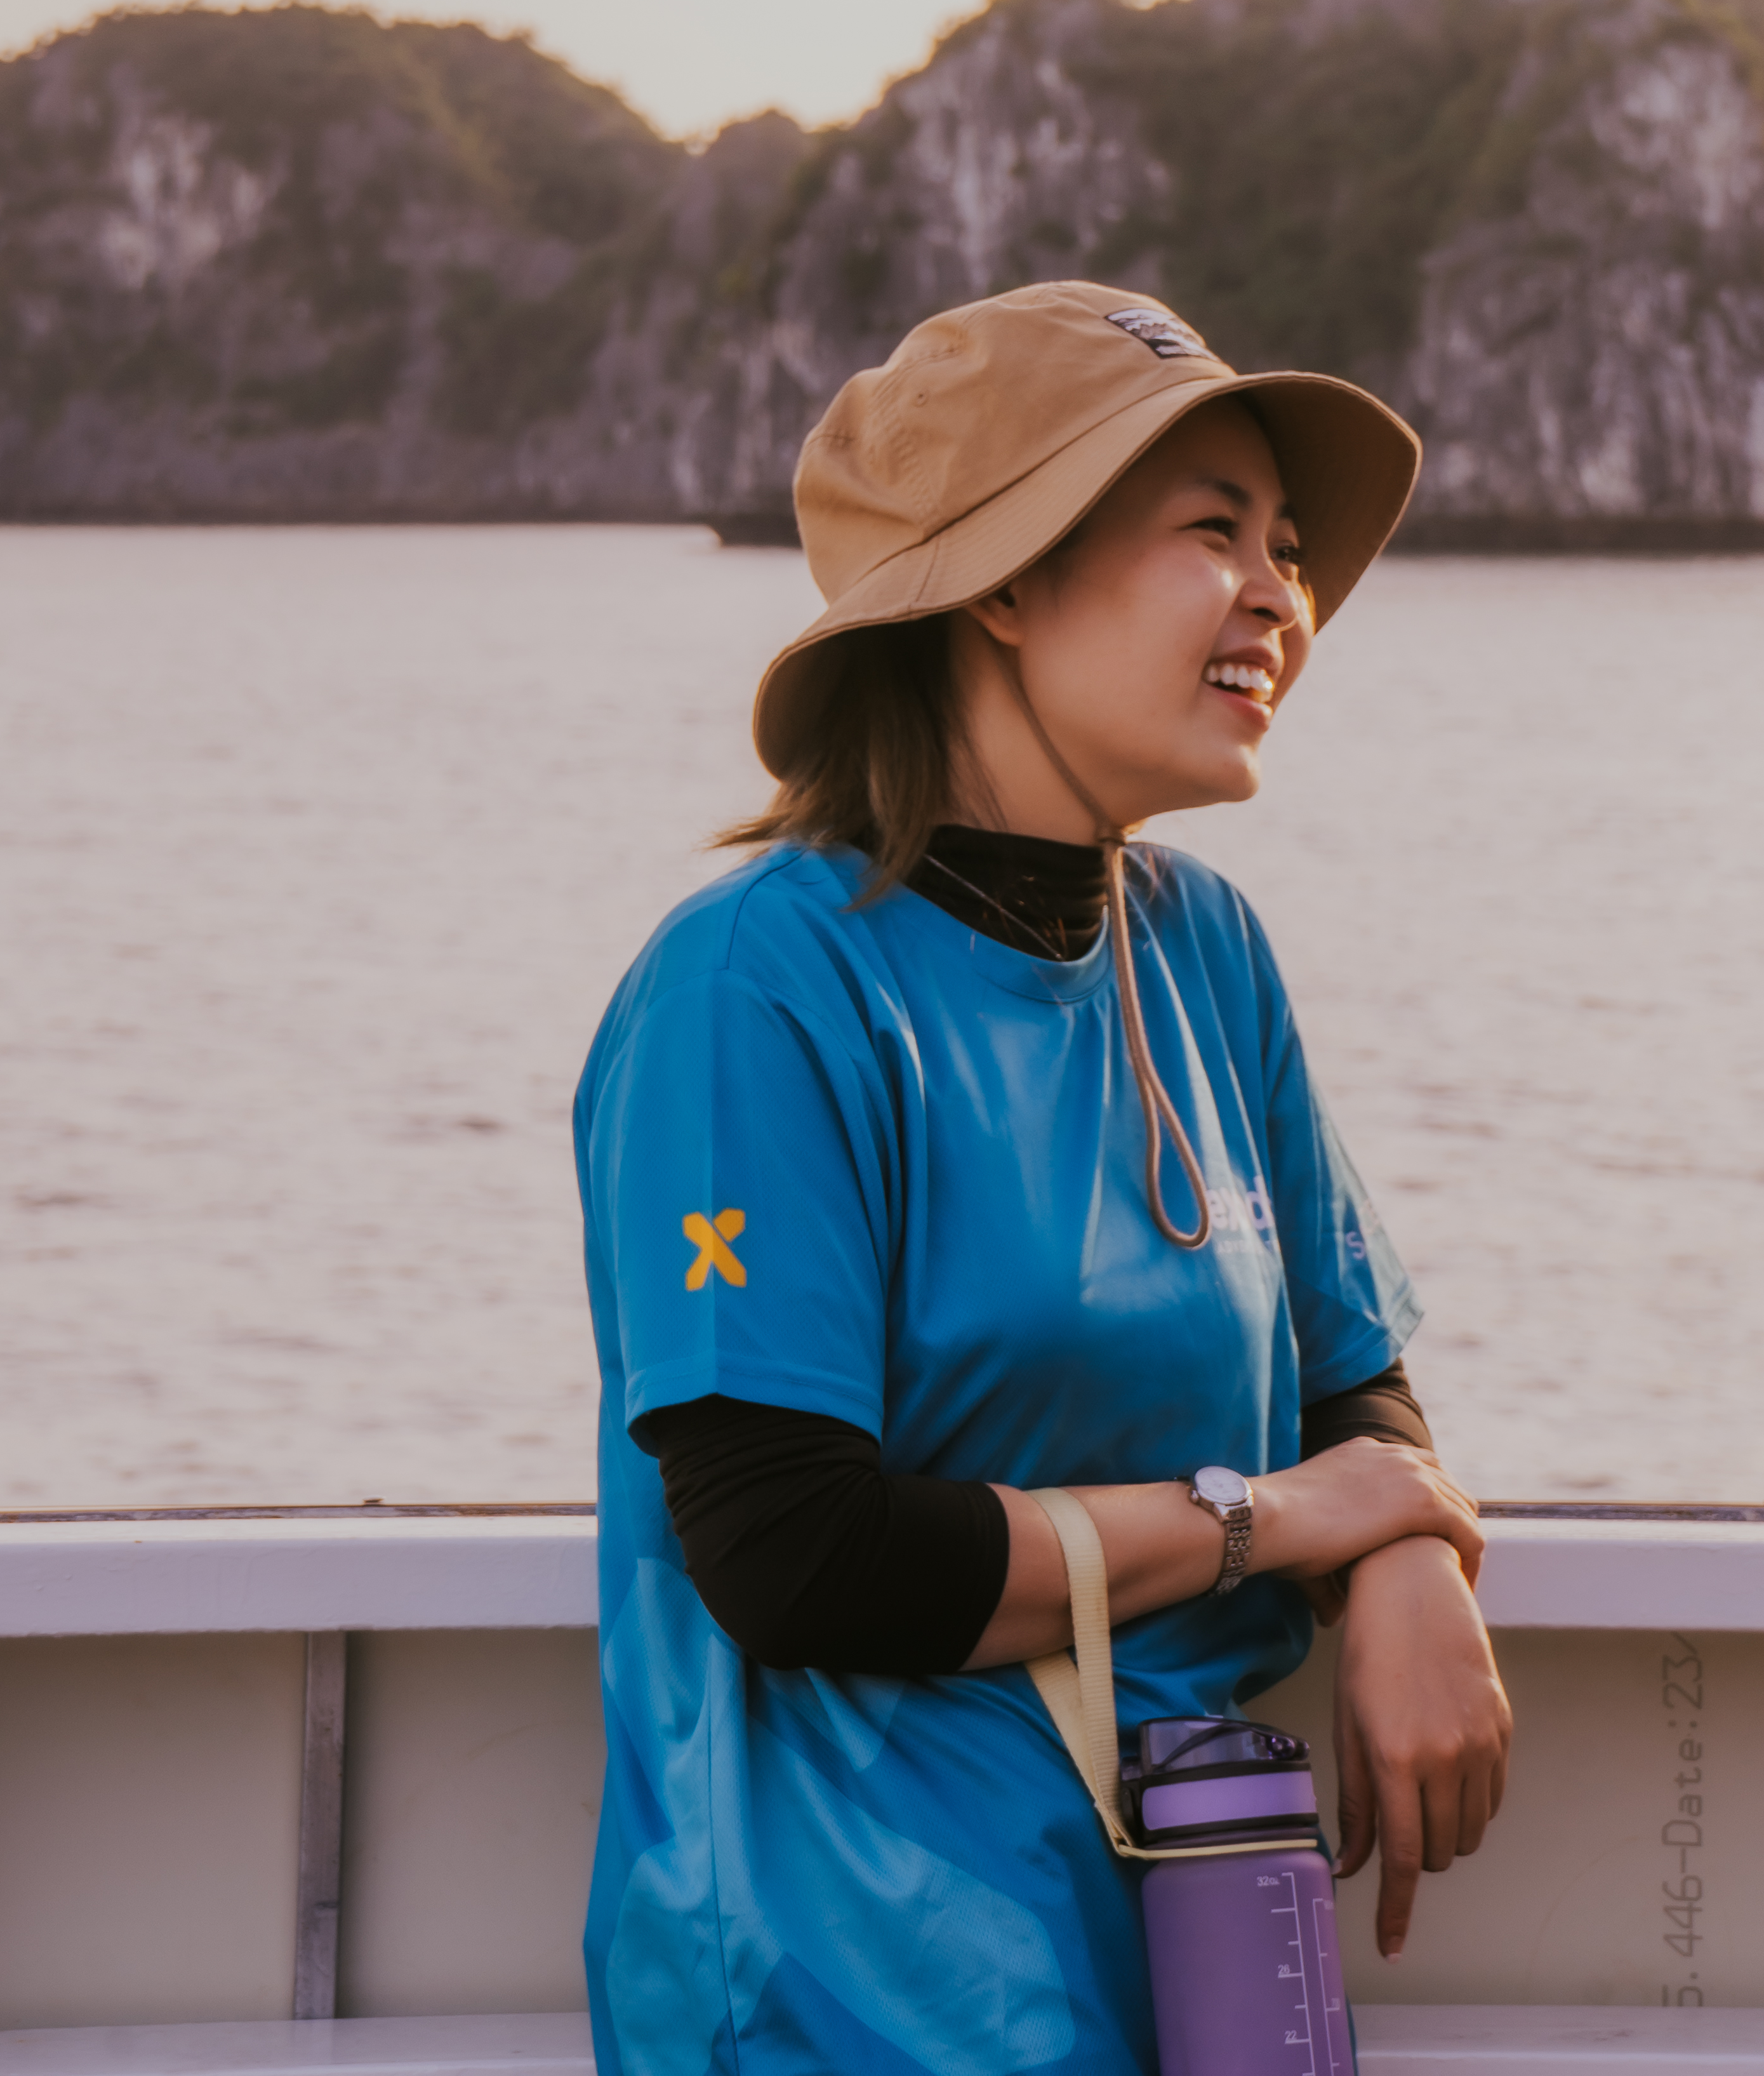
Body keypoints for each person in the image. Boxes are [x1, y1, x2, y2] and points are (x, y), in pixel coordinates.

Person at [574, 279, 1513, 2076]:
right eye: (1213, 532)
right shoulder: (754, 987)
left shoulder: (1204, 947)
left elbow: (1354, 1382)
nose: (1282, 596)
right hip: (850, 1995)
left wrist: (1409, 1557)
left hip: (1194, 1953)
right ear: (1004, 581)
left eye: (1289, 548)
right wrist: (1275, 1521)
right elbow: (794, 1555)